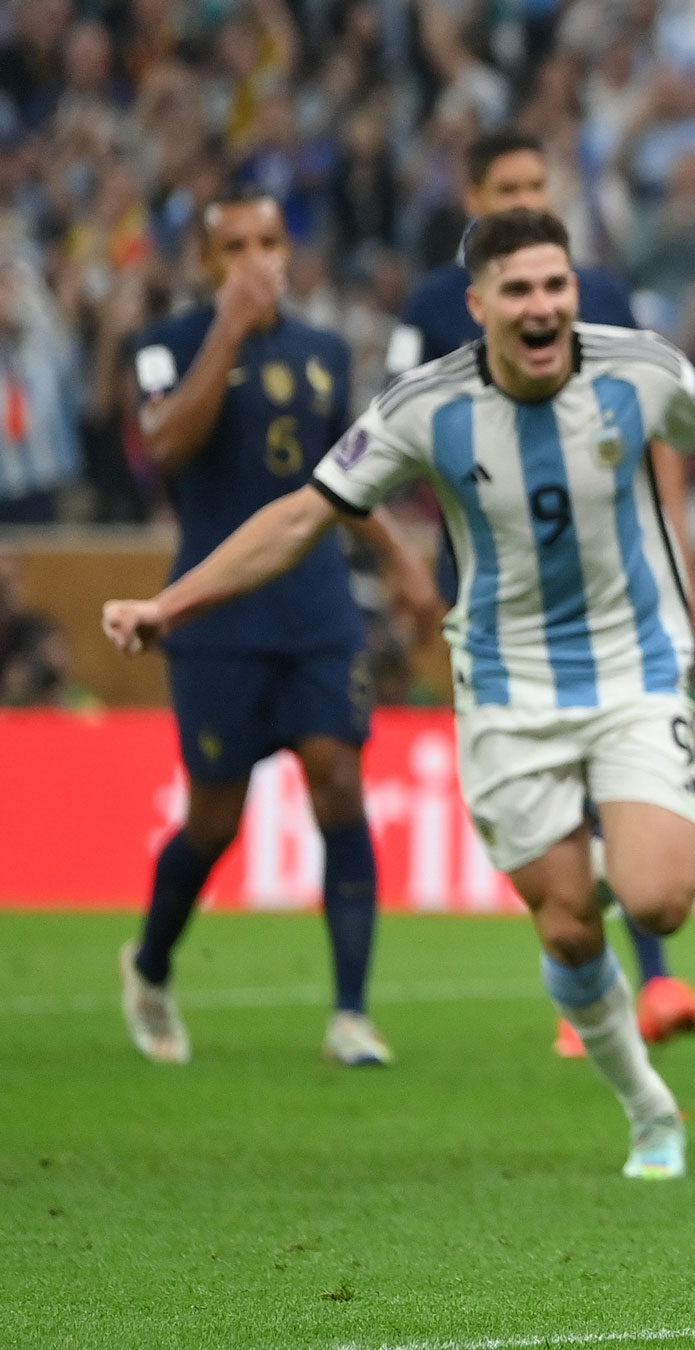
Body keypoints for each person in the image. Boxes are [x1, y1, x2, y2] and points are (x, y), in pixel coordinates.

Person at [104, 208, 695, 1178]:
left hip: (633, 669)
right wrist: (176, 603)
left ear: (572, 292)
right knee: (568, 920)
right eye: (520, 292)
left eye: (556, 287)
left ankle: (609, 923)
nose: (542, 308)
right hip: (505, 694)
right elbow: (301, 517)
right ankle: (648, 1109)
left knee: (658, 900)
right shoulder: (425, 407)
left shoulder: (640, 370)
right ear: (480, 306)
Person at [393, 127, 695, 1058]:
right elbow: (391, 444)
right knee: (560, 812)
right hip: (498, 599)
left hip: (610, 589)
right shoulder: (428, 308)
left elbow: (664, 431)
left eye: (536, 180)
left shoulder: (600, 295)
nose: (524, 195)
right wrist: (413, 566)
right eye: (506, 184)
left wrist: (678, 559)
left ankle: (644, 981)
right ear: (470, 192)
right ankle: (591, 982)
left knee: (622, 789)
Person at [115, 189, 442, 1068]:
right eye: (234, 246)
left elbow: (351, 478)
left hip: (316, 608)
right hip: (213, 613)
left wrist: (406, 561)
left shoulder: (326, 352)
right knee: (215, 820)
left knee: (338, 780)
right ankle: (149, 965)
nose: (255, 259)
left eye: (268, 242)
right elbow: (166, 449)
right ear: (205, 262)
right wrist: (227, 332)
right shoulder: (167, 347)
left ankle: (350, 1014)